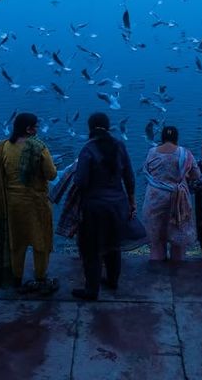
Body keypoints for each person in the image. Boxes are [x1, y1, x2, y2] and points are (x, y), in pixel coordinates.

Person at [0, 113, 58, 293]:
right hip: (36, 203)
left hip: (13, 203)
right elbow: (52, 174)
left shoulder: (3, 147)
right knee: (40, 242)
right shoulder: (39, 148)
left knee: (17, 242)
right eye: (35, 126)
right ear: (28, 129)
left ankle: (16, 278)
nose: (37, 130)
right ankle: (40, 277)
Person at [72, 112, 137, 301]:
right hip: (118, 204)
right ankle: (112, 280)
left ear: (90, 128)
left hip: (94, 206)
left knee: (91, 248)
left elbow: (81, 181)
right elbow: (130, 177)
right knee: (113, 243)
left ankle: (91, 290)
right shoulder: (120, 146)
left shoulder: (88, 149)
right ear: (109, 127)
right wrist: (131, 201)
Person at [143, 126, 200, 261]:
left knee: (156, 238)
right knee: (177, 236)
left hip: (155, 199)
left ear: (162, 137)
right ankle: (177, 268)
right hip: (179, 199)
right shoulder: (185, 154)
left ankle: (157, 269)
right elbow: (196, 175)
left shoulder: (151, 152)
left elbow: (147, 170)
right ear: (176, 138)